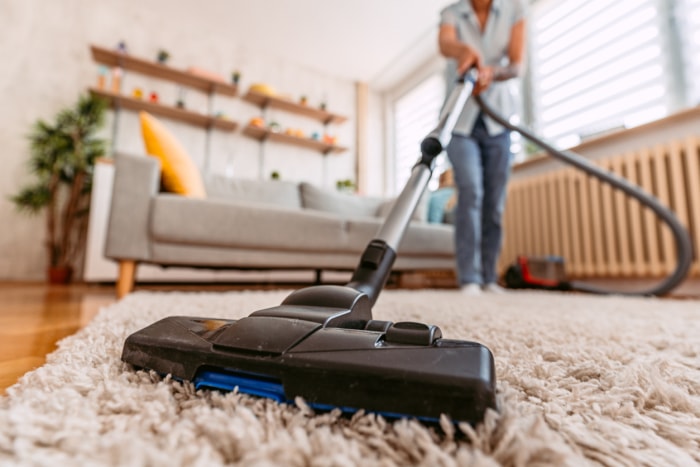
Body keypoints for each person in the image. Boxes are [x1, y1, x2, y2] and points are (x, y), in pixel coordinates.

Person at [438, 0, 526, 295]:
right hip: (460, 121)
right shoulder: (452, 13)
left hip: (497, 120)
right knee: (471, 191)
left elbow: (516, 64)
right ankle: (470, 278)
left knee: (494, 202)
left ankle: (489, 276)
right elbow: (446, 44)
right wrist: (467, 52)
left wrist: (491, 73)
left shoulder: (515, 9)